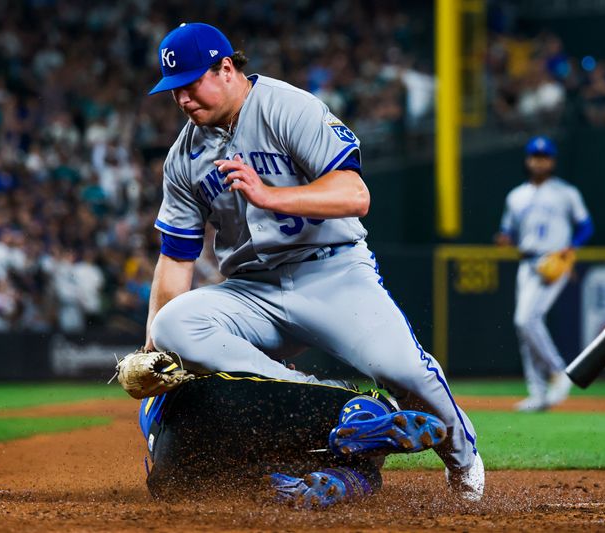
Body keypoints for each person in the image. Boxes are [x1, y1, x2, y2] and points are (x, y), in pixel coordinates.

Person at [143, 22, 483, 501]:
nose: (181, 100)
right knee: (173, 325)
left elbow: (355, 193)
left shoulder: (288, 107)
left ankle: (463, 459)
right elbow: (176, 258)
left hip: (331, 272)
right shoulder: (183, 157)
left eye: (190, 84)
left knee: (402, 371)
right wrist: (150, 350)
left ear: (225, 69)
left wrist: (272, 196)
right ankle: (331, 404)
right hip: (252, 291)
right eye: (173, 90)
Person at [138, 371, 447, 508]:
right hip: (210, 400)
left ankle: (297, 484)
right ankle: (357, 430)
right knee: (348, 403)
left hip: (172, 469)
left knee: (228, 477)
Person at [495, 136, 594, 412]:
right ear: (528, 160)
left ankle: (559, 370)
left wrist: (571, 249)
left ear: (552, 161)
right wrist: (504, 238)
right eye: (535, 156)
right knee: (524, 328)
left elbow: (586, 226)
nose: (540, 161)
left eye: (545, 157)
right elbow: (509, 231)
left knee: (526, 320)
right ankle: (537, 393)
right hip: (526, 263)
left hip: (554, 262)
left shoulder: (566, 192)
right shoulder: (515, 196)